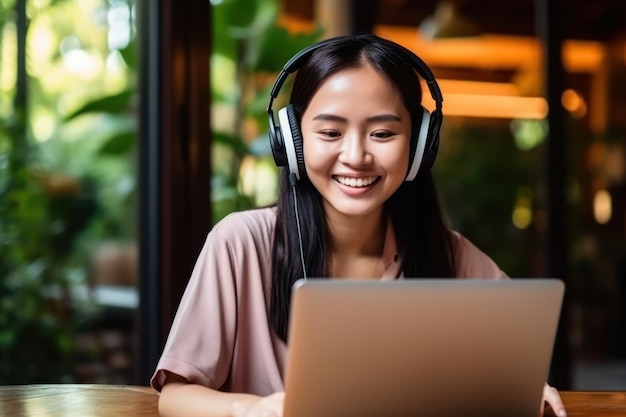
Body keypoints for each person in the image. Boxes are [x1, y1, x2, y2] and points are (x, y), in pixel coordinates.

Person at [151, 33, 567, 417]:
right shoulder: (240, 243)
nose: (356, 156)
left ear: (420, 145)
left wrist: (525, 386)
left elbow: (512, 364)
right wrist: (252, 410)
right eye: (330, 132)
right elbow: (175, 395)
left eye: (383, 133)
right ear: (292, 141)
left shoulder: (449, 254)